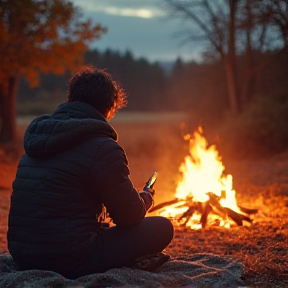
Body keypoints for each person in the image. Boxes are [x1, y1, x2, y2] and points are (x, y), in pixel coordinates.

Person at [7, 65, 174, 279]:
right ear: (109, 107)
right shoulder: (102, 147)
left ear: (71, 99)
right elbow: (129, 217)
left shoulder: (38, 139)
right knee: (162, 227)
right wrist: (145, 200)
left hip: (23, 255)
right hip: (70, 258)